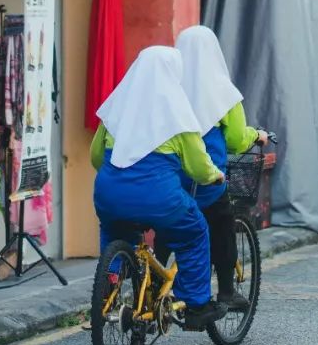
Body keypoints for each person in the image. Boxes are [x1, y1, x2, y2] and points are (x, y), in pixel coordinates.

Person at [90, 46, 228, 330]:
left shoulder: (115, 111)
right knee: (194, 232)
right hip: (160, 199)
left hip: (110, 193)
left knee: (115, 230)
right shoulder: (178, 116)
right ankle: (197, 305)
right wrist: (216, 176)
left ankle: (107, 289)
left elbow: (95, 158)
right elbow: (198, 168)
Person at [172, 25, 268, 312]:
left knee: (171, 224)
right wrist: (256, 135)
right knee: (222, 220)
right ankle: (226, 290)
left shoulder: (169, 87)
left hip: (168, 176)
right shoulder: (224, 93)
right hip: (207, 179)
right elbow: (237, 140)